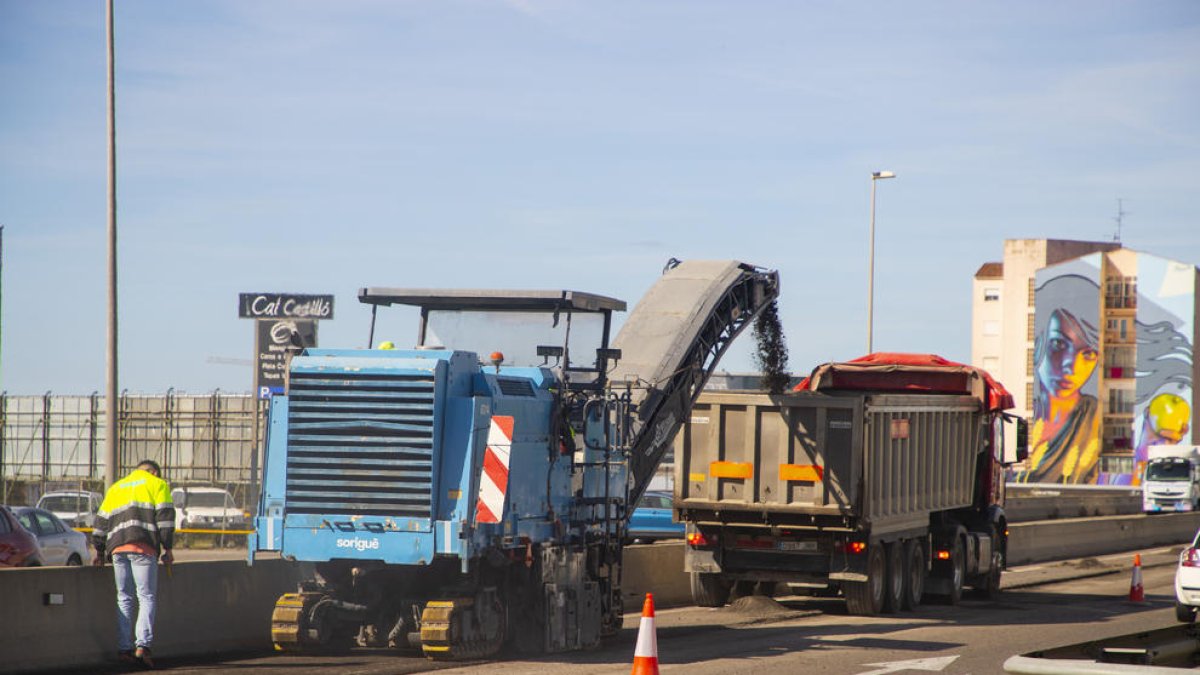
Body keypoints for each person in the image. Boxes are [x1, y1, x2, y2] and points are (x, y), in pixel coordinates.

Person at [92, 460, 176, 668]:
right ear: (154, 472)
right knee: (146, 596)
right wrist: (168, 548)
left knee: (124, 598)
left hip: (117, 549)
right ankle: (143, 647)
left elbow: (101, 522)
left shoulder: (117, 488)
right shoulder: (157, 485)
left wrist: (99, 551)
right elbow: (165, 519)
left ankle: (124, 649)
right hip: (143, 547)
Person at [1022, 307, 1102, 483]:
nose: (1071, 366)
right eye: (1059, 344)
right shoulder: (1019, 415)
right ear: (1037, 343)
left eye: (1088, 354)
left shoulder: (1096, 418)